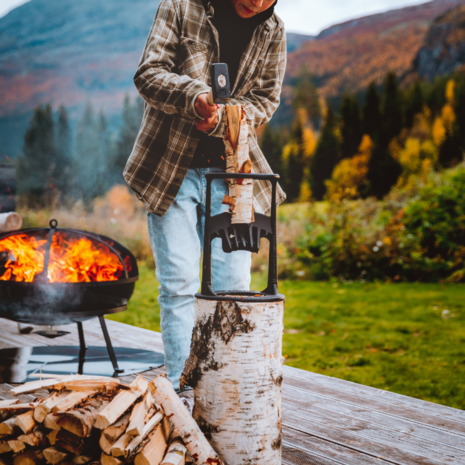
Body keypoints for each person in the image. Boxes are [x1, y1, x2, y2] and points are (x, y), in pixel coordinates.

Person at [123, 0, 287, 392]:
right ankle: (182, 388)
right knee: (178, 283)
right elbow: (148, 74)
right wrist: (194, 97)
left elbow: (266, 101)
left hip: (235, 176)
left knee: (233, 289)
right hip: (170, 169)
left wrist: (222, 119)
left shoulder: (273, 31)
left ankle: (224, 391)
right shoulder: (180, 6)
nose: (258, 3)